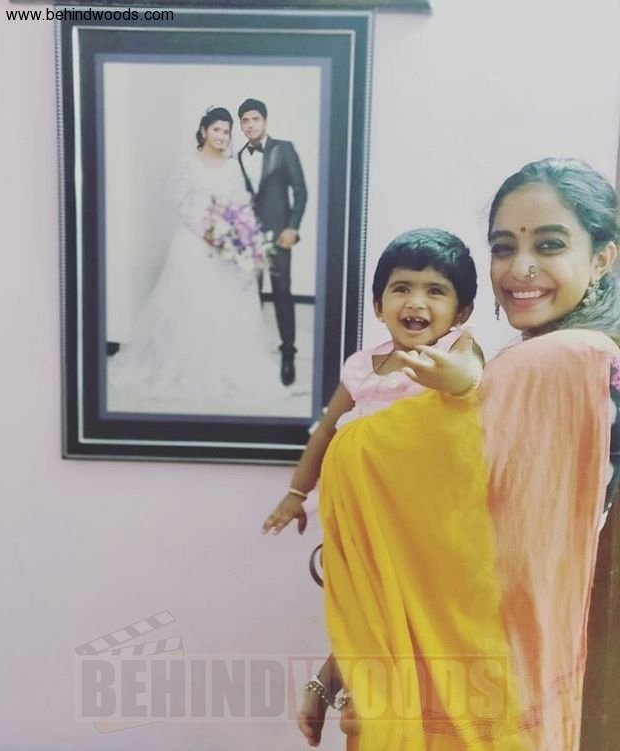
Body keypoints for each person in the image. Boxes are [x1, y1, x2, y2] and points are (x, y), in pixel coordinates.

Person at [313, 158, 620, 750]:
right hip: (484, 665)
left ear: (603, 257)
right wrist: (343, 659)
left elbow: (371, 464)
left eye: (549, 245)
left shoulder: (567, 360)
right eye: (503, 247)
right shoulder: (526, 362)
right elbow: (445, 527)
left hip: (493, 681)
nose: (520, 268)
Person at [262, 228, 482, 538]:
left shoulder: (454, 350)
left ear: (461, 312)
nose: (415, 302)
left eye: (435, 291)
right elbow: (326, 431)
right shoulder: (361, 367)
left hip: (425, 516)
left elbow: (469, 373)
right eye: (402, 288)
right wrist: (297, 492)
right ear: (379, 307)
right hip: (361, 512)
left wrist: (455, 378)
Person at [107, 107, 286, 415]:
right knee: (192, 303)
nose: (222, 136)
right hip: (192, 244)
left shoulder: (232, 167)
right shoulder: (188, 165)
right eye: (216, 129)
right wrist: (208, 231)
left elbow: (241, 203)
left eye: (226, 131)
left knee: (226, 305)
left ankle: (225, 367)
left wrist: (243, 235)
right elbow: (180, 202)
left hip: (226, 248)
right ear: (204, 131)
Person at [237, 98, 308, 386]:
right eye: (245, 120)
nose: (250, 125)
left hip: (279, 237)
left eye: (255, 119)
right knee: (248, 296)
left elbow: (301, 191)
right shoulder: (237, 157)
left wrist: (292, 228)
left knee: (282, 293)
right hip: (247, 239)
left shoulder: (284, 149)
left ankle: (288, 353)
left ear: (265, 121)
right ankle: (251, 353)